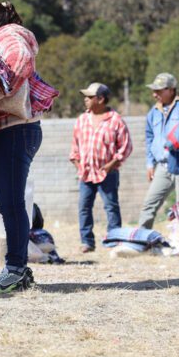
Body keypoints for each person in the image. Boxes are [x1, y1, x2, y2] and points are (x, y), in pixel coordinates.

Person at [0, 1, 51, 294]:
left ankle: (15, 270)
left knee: (11, 204)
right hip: (13, 131)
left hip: (13, 131)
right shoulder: (9, 36)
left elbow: (20, 59)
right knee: (10, 203)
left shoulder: (7, 37)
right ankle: (17, 268)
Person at [69, 83, 133, 253]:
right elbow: (74, 147)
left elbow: (125, 147)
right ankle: (87, 242)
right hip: (86, 173)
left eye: (89, 97)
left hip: (108, 173)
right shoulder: (82, 119)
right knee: (84, 207)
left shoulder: (115, 120)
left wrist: (112, 163)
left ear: (101, 99)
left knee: (111, 206)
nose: (86, 99)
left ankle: (114, 239)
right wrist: (78, 164)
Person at [138, 73, 179, 229]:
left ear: (171, 89)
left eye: (159, 91)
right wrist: (149, 163)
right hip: (163, 165)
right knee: (149, 204)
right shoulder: (154, 112)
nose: (155, 95)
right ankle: (140, 240)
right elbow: (149, 138)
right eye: (154, 91)